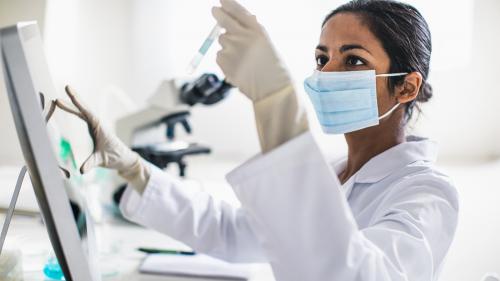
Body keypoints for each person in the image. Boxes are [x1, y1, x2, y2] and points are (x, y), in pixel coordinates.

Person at [55, 0, 459, 280]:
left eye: (353, 60)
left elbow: (350, 275)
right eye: (322, 59)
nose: (328, 73)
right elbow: (231, 232)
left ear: (406, 87)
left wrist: (275, 101)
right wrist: (133, 168)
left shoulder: (426, 193)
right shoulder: (338, 173)